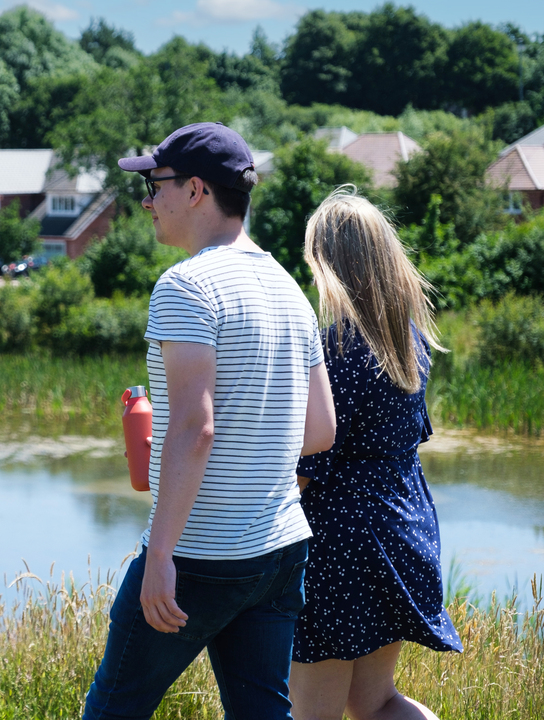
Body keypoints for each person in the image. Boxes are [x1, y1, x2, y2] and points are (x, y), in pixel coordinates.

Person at [83, 122, 337, 720]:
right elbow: (321, 429)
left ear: (195, 190)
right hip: (278, 550)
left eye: (155, 184)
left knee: (113, 710)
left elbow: (195, 429)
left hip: (200, 552)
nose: (147, 201)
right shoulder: (289, 288)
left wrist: (161, 556)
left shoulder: (185, 286)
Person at [290, 189, 462, 720]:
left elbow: (305, 468)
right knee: (377, 702)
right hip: (406, 531)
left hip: (343, 550)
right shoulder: (409, 341)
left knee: (310, 712)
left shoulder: (334, 349)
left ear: (329, 264)